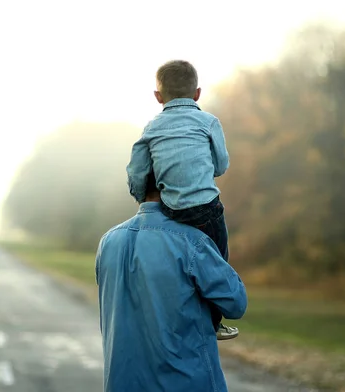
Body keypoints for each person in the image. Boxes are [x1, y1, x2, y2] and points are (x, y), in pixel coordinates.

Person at [95, 173, 247, 392]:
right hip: (185, 383)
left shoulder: (108, 241)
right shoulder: (191, 241)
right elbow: (236, 303)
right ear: (177, 189)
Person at [126, 59, 237, 340]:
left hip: (170, 210)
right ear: (197, 93)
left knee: (177, 264)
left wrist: (142, 198)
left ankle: (175, 315)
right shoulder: (209, 121)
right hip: (207, 210)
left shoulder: (152, 127)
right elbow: (222, 165)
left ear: (158, 97)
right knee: (218, 262)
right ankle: (214, 323)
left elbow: (137, 170)